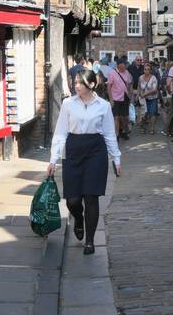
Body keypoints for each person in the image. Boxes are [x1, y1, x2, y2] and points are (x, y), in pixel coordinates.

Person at [47, 67, 121, 255]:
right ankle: (78, 219)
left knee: (91, 197)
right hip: (73, 149)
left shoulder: (103, 105)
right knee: (72, 200)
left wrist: (116, 158)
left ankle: (90, 241)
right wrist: (53, 159)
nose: (75, 85)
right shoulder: (68, 104)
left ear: (91, 84)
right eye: (74, 81)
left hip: (96, 150)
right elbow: (60, 132)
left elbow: (110, 133)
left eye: (80, 82)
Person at [107, 57, 133, 140]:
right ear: (119, 65)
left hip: (125, 97)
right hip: (115, 98)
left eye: (126, 64)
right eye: (124, 64)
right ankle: (117, 134)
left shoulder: (127, 73)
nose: (125, 65)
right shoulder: (112, 73)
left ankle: (125, 130)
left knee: (125, 117)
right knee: (116, 117)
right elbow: (108, 87)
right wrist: (111, 99)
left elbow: (129, 85)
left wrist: (130, 96)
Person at [137, 60, 160, 133]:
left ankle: (152, 128)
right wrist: (139, 94)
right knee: (144, 114)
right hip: (143, 99)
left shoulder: (153, 78)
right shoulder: (140, 77)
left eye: (148, 69)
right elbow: (139, 87)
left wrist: (145, 94)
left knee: (152, 113)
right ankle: (142, 127)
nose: (146, 71)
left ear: (150, 70)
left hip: (153, 98)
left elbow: (154, 89)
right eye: (145, 69)